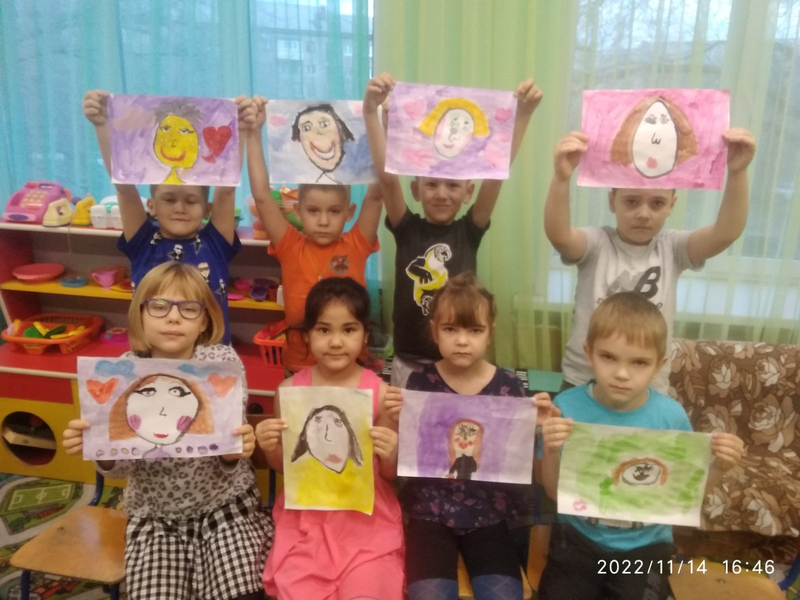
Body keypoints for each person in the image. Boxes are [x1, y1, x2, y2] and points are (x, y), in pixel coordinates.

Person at [63, 262, 272, 600]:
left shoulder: (221, 363)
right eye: (159, 306)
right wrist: (100, 448)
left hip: (226, 506)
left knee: (243, 594)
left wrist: (235, 451)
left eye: (189, 308)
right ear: (140, 316)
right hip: (156, 516)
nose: (173, 317)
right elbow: (119, 468)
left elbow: (229, 446)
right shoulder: (123, 371)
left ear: (204, 320)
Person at [537, 292, 744, 600]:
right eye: (608, 357)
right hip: (578, 539)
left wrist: (720, 467)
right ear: (588, 353)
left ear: (659, 365)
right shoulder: (566, 406)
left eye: (639, 362)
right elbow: (554, 492)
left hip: (646, 547)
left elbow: (685, 496)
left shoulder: (670, 416)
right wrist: (551, 449)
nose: (622, 374)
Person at [362, 73, 543, 387]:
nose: (442, 194)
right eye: (431, 184)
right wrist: (370, 113)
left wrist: (523, 114)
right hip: (409, 361)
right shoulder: (407, 229)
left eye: (453, 185)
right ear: (416, 190)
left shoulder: (468, 232)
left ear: (468, 192)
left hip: (458, 362)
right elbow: (388, 180)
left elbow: (495, 175)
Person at [543, 127, 756, 393]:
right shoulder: (598, 243)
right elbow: (560, 237)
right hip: (583, 380)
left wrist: (737, 173)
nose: (643, 214)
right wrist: (561, 178)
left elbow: (725, 233)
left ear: (671, 205)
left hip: (646, 386)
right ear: (612, 201)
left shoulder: (672, 248)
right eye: (631, 202)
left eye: (656, 204)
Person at [390, 272, 550, 600]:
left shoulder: (509, 387)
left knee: (504, 595)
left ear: (490, 334)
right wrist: (394, 420)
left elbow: (518, 462)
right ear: (434, 331)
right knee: (429, 596)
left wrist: (537, 429)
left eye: (474, 330)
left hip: (489, 513)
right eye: (451, 329)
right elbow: (410, 453)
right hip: (429, 511)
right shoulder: (420, 382)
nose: (462, 340)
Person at [255, 277, 404, 600]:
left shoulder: (381, 393)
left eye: (348, 330)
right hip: (305, 521)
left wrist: (392, 452)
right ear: (307, 335)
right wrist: (270, 447)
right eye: (324, 330)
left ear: (365, 335)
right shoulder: (290, 391)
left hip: (366, 523)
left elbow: (388, 473)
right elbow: (285, 466)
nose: (336, 342)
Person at [82, 90, 254, 344]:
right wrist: (102, 125)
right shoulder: (143, 243)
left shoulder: (215, 244)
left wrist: (239, 129)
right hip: (153, 352)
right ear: (152, 206)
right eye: (169, 199)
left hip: (209, 354)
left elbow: (226, 190)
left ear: (207, 209)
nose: (180, 208)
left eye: (191, 201)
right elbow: (124, 187)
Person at [246, 95, 384, 373]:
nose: (323, 221)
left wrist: (385, 128)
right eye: (313, 211)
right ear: (298, 211)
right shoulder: (290, 246)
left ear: (349, 212)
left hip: (349, 363)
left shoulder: (356, 244)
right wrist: (253, 132)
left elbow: (377, 194)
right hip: (300, 365)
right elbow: (262, 196)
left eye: (334, 211)